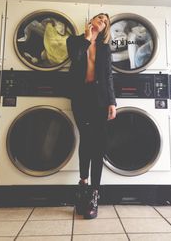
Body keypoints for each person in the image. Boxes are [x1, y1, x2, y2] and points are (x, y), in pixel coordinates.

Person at [67, 13, 116, 219]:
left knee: (98, 144)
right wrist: (87, 38)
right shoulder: (75, 41)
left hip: (101, 99)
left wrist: (112, 102)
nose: (102, 22)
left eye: (105, 21)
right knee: (86, 139)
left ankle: (94, 193)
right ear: (91, 20)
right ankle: (83, 185)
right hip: (80, 97)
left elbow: (108, 75)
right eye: (99, 18)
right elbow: (76, 58)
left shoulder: (105, 48)